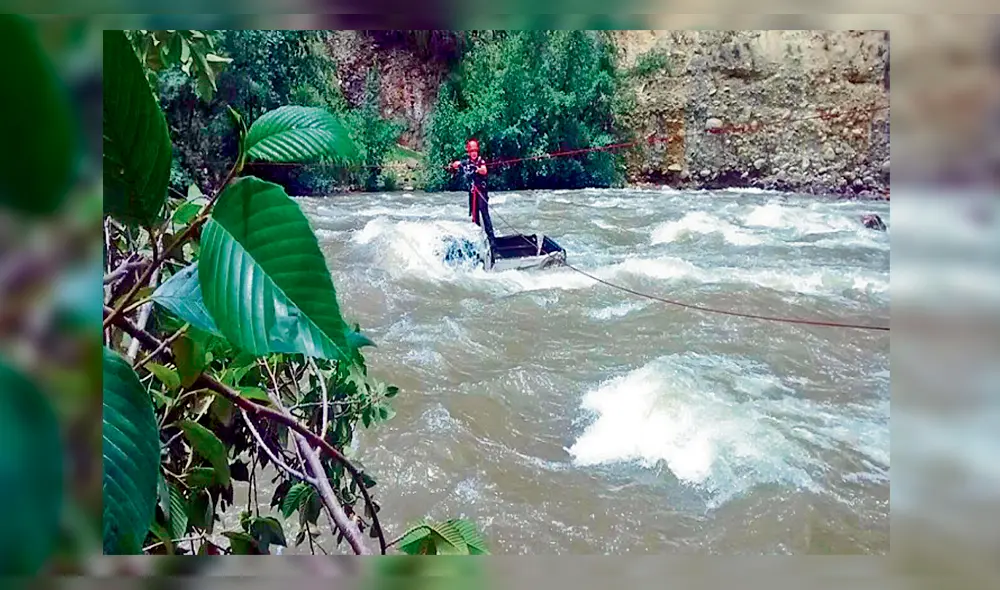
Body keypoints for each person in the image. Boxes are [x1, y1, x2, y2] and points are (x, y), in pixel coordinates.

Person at [447, 139, 497, 253]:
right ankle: (477, 242)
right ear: (469, 152)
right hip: (472, 193)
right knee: (474, 217)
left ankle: (492, 242)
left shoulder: (481, 161)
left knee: (484, 214)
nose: (474, 153)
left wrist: (477, 169)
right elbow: (457, 164)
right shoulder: (467, 162)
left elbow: (484, 170)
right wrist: (454, 165)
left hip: (481, 193)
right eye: (472, 151)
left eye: (475, 151)